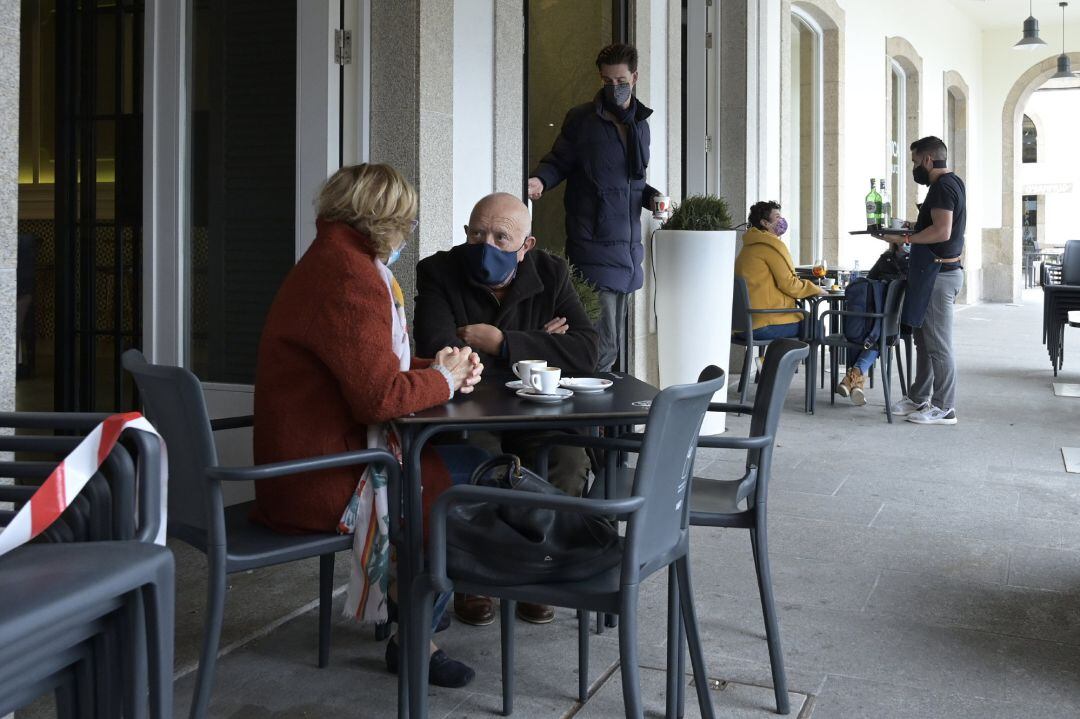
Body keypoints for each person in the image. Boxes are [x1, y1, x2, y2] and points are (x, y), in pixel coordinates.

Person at [253, 163, 484, 688]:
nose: (407, 234)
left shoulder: (330, 260)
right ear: (387, 220)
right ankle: (419, 630)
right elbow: (379, 398)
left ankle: (420, 604)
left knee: (461, 471)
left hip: (303, 463)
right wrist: (445, 380)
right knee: (474, 481)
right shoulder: (352, 276)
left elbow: (365, 368)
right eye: (405, 222)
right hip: (322, 477)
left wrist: (436, 369)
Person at [413, 192, 598, 627]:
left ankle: (538, 571)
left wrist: (499, 342)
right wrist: (541, 341)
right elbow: (439, 349)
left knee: (568, 462)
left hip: (539, 410)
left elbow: (587, 351)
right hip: (471, 409)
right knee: (479, 463)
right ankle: (473, 576)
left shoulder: (550, 272)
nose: (486, 246)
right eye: (477, 233)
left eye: (501, 238)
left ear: (526, 245)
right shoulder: (438, 270)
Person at [527, 43, 665, 372]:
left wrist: (653, 198)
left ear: (635, 77)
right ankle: (591, 421)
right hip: (593, 247)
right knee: (601, 348)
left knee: (612, 345)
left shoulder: (640, 126)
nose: (613, 88)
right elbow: (559, 161)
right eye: (606, 81)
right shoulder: (582, 120)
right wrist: (540, 181)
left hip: (628, 253)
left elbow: (632, 183)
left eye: (620, 81)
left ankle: (601, 421)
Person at [877, 136, 965, 425]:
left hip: (939, 275)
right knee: (924, 341)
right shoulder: (951, 184)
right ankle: (919, 397)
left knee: (938, 344)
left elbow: (942, 231)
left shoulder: (941, 187)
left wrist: (904, 237)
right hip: (933, 273)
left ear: (928, 160)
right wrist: (907, 227)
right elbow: (934, 226)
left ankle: (944, 407)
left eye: (915, 162)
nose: (915, 167)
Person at [734, 200, 825, 345]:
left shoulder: (749, 246)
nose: (782, 220)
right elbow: (789, 284)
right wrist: (816, 289)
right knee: (815, 327)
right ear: (765, 223)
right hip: (762, 323)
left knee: (808, 323)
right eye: (777, 217)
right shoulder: (770, 246)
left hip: (741, 325)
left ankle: (771, 364)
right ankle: (783, 367)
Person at [836, 244, 910, 406]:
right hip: (877, 318)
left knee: (874, 337)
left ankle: (852, 378)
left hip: (897, 320)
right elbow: (870, 281)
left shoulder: (915, 260)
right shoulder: (886, 259)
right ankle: (856, 384)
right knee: (865, 335)